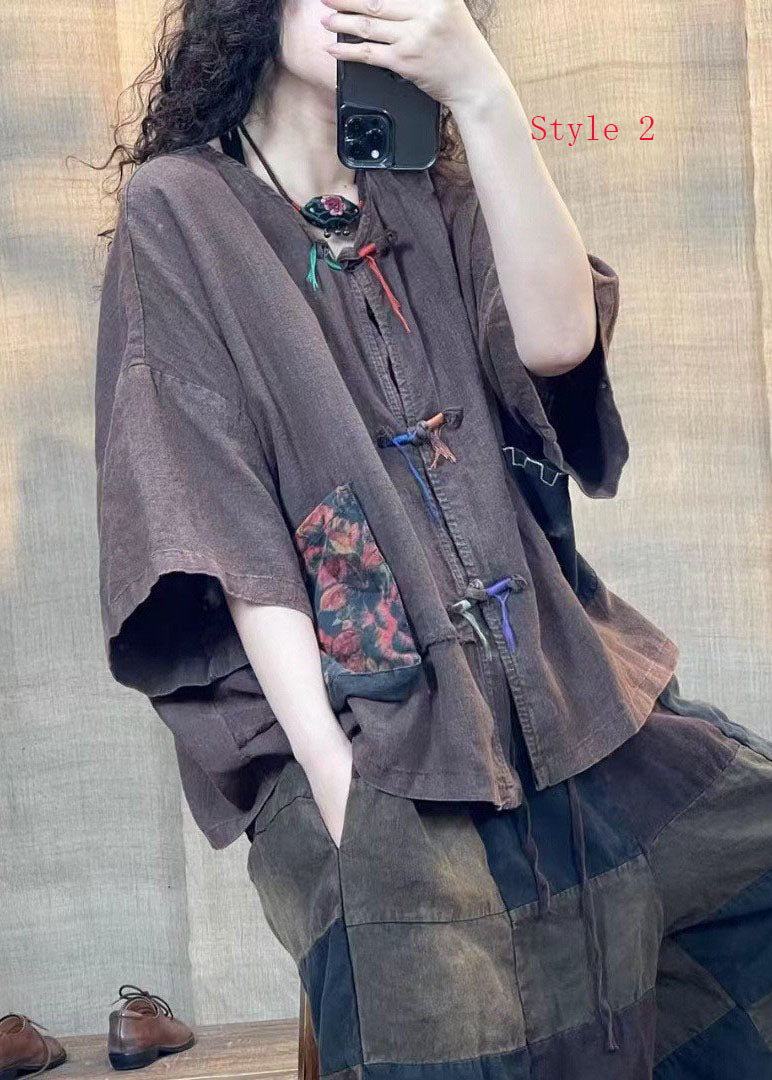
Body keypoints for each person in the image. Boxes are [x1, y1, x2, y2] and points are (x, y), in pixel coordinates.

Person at [93, 0, 772, 1076]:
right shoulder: (180, 207)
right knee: (454, 1017)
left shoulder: (433, 192)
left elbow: (557, 343)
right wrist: (336, 780)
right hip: (359, 721)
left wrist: (485, 97)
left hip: (555, 687)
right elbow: (218, 516)